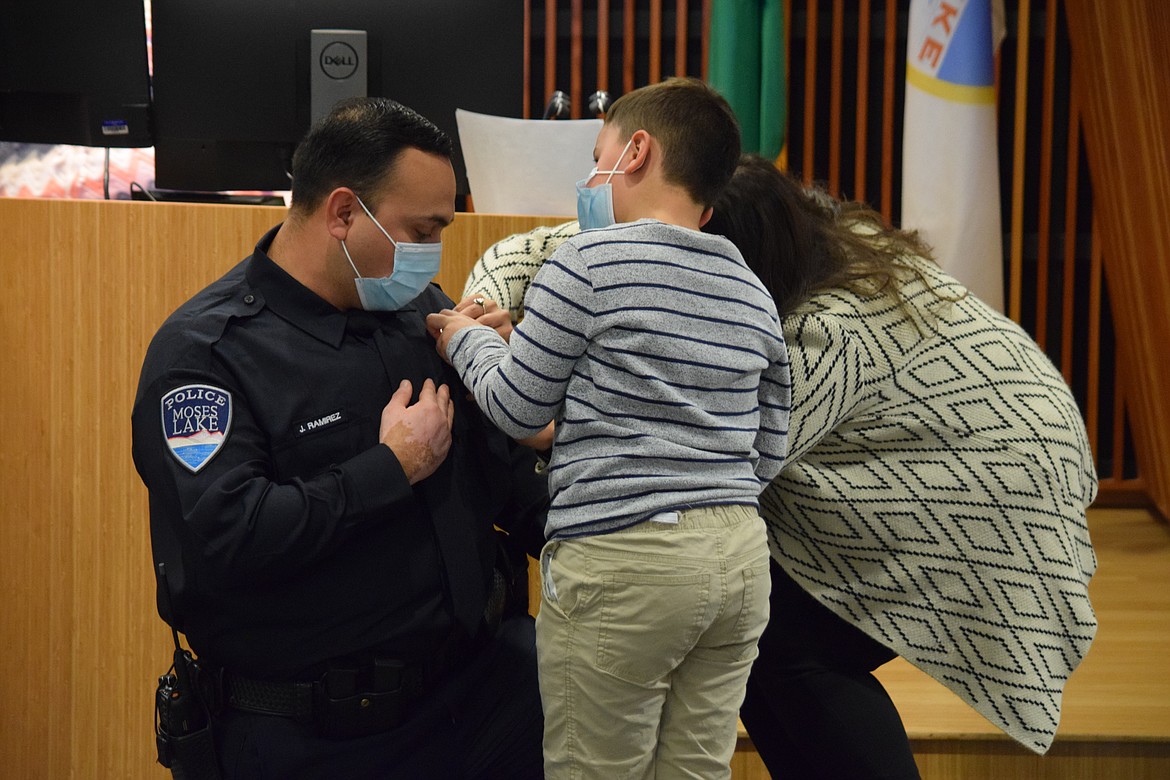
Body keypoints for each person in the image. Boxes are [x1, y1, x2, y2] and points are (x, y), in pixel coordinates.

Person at [460, 154, 1098, 777]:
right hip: (905, 449)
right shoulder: (780, 232)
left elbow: (680, 453)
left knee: (793, 650)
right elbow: (530, 251)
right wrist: (482, 304)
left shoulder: (825, 333)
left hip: (982, 490)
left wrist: (521, 362)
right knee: (752, 638)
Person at [131, 97, 550, 780]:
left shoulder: (416, 311)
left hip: (484, 696)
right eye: (422, 228)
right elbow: (231, 539)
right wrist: (390, 466)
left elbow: (498, 478)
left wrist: (512, 399)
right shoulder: (206, 355)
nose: (433, 250)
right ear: (344, 213)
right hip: (319, 733)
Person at [429, 78, 792, 779]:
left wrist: (462, 340)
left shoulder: (588, 262)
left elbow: (516, 405)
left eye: (596, 154)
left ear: (636, 151)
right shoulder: (750, 285)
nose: (588, 178)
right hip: (740, 561)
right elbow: (770, 443)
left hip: (627, 562)